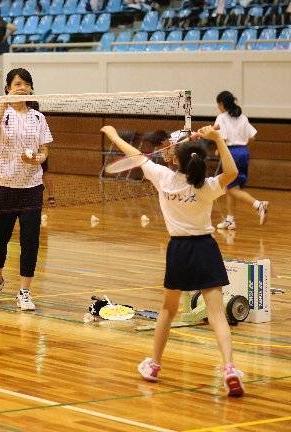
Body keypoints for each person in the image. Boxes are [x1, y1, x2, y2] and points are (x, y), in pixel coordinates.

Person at [101, 123, 245, 397]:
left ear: (176, 159)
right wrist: (218, 139)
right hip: (206, 248)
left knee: (168, 310)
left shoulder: (163, 178)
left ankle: (154, 365)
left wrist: (114, 135)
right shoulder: (208, 186)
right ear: (201, 160)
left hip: (179, 250)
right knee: (216, 314)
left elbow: (136, 155)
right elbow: (232, 172)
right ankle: (229, 368)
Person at [0, 68, 52, 311]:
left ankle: (24, 291)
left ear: (31, 88)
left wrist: (37, 160)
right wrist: (3, 104)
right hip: (3, 184)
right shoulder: (0, 113)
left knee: (30, 240)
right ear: (8, 88)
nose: (21, 87)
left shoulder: (38, 117)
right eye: (17, 84)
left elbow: (45, 151)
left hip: (31, 186)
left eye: (25, 84)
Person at [214, 90, 267, 229]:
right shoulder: (242, 117)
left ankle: (258, 205)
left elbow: (222, 138)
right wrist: (244, 149)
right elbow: (253, 138)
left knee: (231, 189)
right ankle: (230, 220)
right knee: (232, 186)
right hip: (244, 152)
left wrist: (219, 151)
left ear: (221, 104)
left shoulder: (222, 118)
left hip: (231, 153)